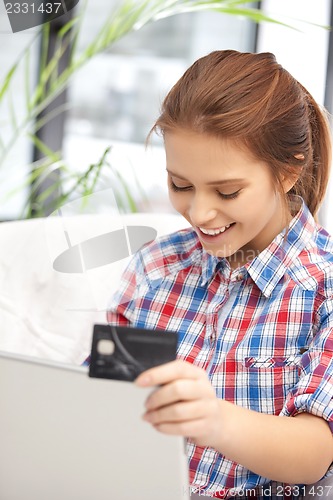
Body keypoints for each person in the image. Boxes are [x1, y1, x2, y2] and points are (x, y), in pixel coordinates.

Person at [87, 50, 333, 499]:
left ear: (289, 171)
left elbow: (316, 454)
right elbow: (97, 408)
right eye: (180, 185)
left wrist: (215, 421)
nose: (199, 212)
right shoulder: (156, 267)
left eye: (227, 191)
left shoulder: (324, 289)